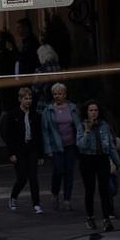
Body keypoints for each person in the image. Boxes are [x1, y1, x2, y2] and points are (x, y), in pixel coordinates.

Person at [76, 100, 120, 231]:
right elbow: (81, 145)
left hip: (102, 158)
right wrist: (87, 131)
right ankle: (90, 217)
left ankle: (106, 218)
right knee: (89, 190)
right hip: (87, 159)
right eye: (91, 110)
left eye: (95, 110)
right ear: (86, 112)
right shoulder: (82, 125)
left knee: (104, 190)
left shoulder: (104, 125)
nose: (93, 113)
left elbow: (110, 145)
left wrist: (117, 161)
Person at [0, 87, 43, 213]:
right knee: (22, 177)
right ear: (20, 99)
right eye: (26, 98)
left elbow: (38, 135)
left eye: (30, 98)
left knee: (34, 177)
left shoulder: (35, 115)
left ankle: (36, 204)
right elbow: (8, 135)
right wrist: (11, 153)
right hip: (19, 150)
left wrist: (40, 154)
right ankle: (13, 197)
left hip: (32, 149)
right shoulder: (12, 115)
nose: (28, 101)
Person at [41, 83, 82, 211]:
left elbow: (79, 126)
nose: (57, 96)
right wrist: (48, 149)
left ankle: (67, 199)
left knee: (69, 172)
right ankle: (55, 192)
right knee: (59, 170)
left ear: (65, 94)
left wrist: (81, 142)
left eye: (59, 94)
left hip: (70, 144)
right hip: (56, 146)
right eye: (55, 94)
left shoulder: (72, 108)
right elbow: (45, 131)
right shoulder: (48, 110)